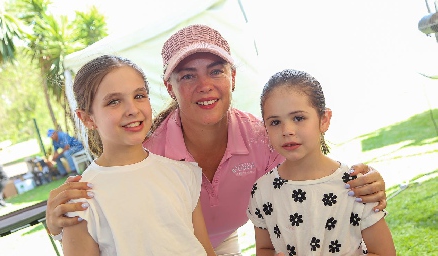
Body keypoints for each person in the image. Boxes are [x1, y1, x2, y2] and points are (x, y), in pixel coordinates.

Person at [46, 24, 387, 255]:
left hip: (219, 241)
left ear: (233, 78)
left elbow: (312, 166)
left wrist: (363, 181)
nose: (204, 85)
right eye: (188, 75)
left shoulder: (261, 137)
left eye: (215, 71)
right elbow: (110, 188)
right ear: (170, 88)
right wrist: (58, 221)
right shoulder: (146, 148)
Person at [62, 55, 215, 255]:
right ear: (88, 118)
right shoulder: (81, 200)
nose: (132, 110)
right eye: (114, 101)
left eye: (139, 96)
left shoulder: (182, 174)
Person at [247, 69, 396, 255]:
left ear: (324, 120)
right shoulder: (262, 190)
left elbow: (385, 252)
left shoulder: (356, 185)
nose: (287, 130)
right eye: (275, 122)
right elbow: (264, 248)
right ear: (265, 128)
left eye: (298, 118)